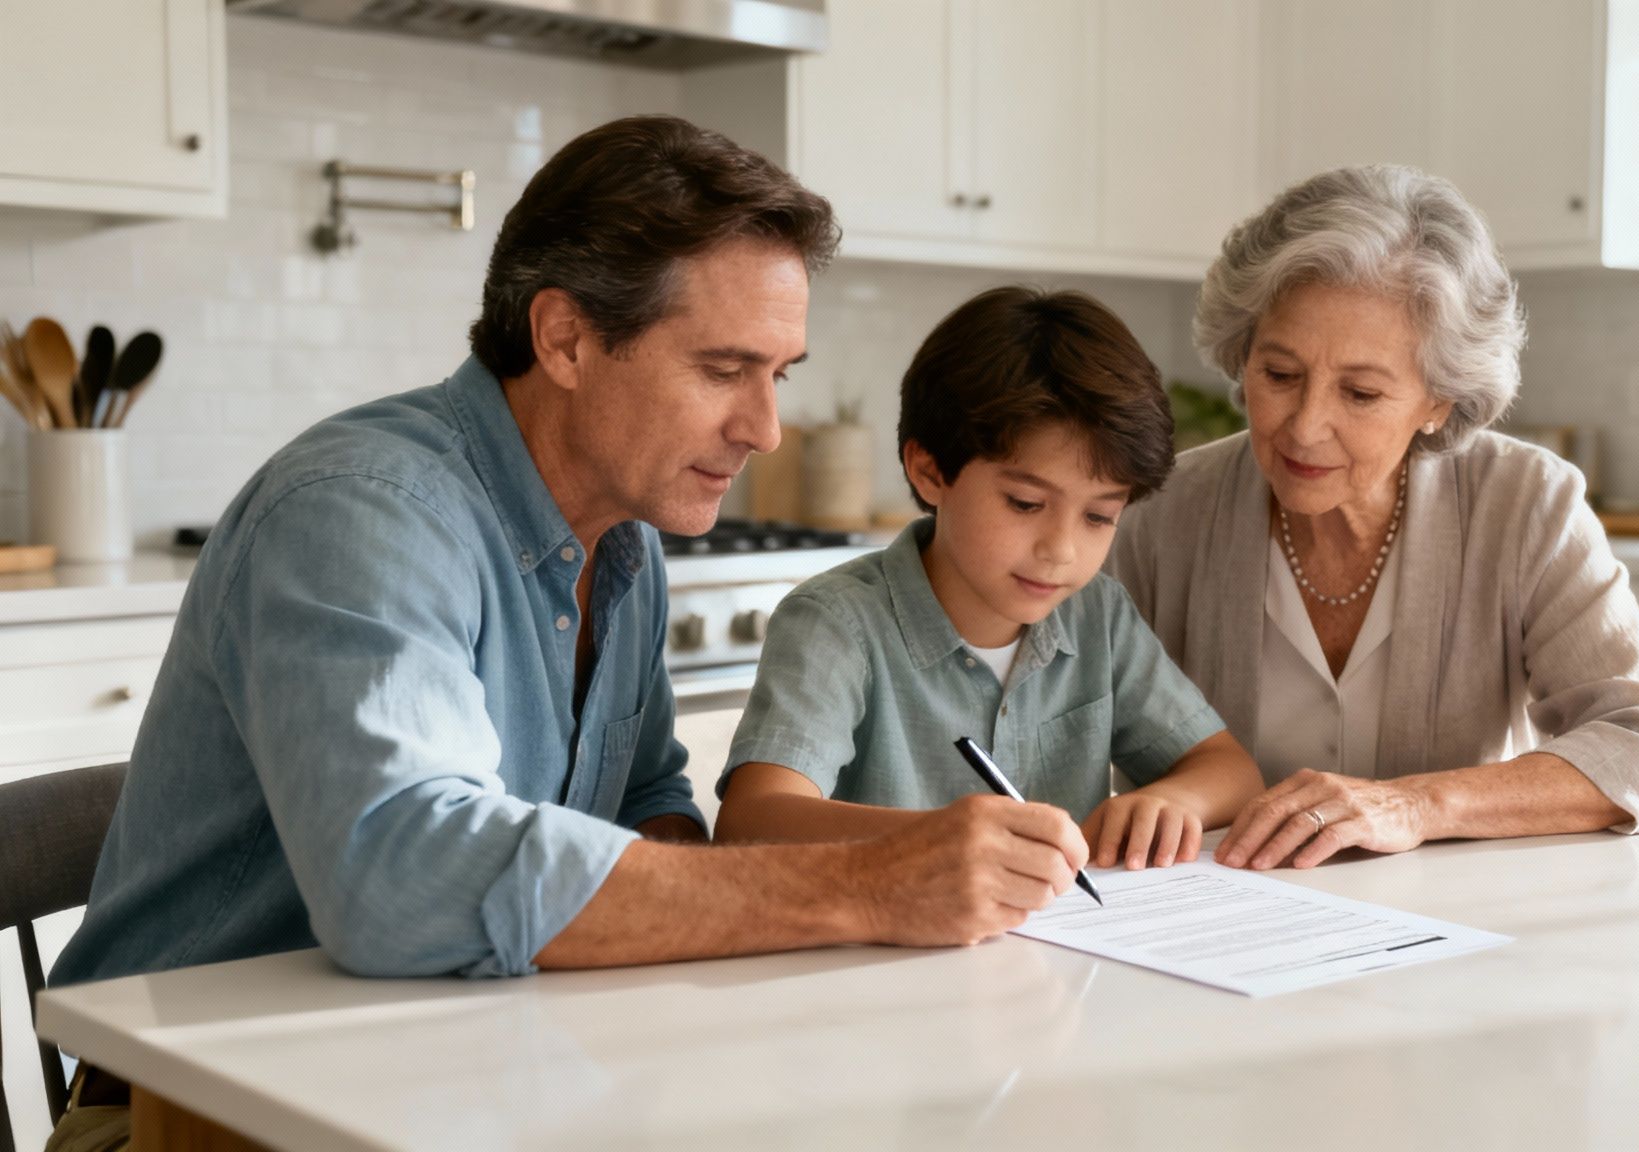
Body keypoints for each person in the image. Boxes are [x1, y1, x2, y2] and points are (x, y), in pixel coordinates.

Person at [46, 115, 1093, 1148]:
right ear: (565, 339)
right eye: (724, 370)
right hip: (191, 1117)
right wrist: (865, 884)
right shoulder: (362, 509)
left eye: (780, 375)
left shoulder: (621, 546)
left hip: (461, 1074)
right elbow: (399, 875)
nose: (763, 429)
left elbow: (647, 805)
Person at [1105, 165, 1639, 873]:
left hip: (1447, 932)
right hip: (1218, 924)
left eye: (1360, 393)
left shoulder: (1524, 504)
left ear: (1439, 403)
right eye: (1279, 375)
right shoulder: (1166, 510)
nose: (1305, 427)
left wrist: (1420, 804)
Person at [715, 286, 1264, 870]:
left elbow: (1231, 770)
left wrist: (1170, 798)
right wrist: (938, 838)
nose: (1061, 550)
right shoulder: (838, 623)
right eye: (1026, 503)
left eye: (1100, 516)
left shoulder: (1097, 615)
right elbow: (752, 822)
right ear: (930, 472)